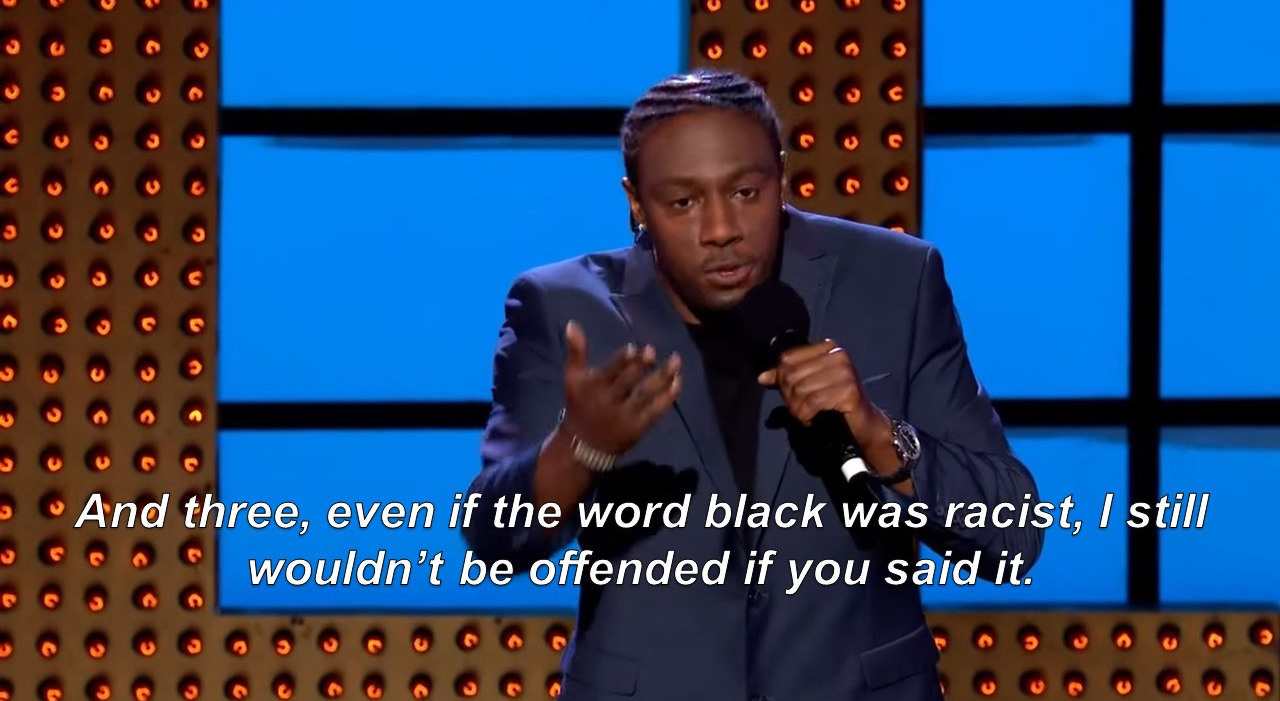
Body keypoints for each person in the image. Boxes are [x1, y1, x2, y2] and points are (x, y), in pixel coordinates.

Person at [463, 69, 1042, 701]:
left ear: (781, 176)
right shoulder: (563, 309)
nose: (721, 229)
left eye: (745, 192)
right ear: (636, 202)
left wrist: (879, 435)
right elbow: (495, 540)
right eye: (683, 202)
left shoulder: (895, 280)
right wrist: (582, 450)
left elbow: (1012, 534)